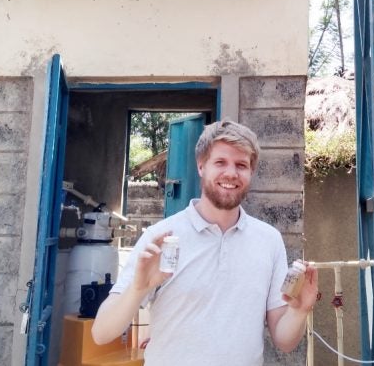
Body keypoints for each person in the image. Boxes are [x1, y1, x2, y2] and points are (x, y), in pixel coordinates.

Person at [92, 119, 318, 366]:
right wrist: (137, 289)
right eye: (220, 162)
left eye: (241, 165)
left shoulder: (269, 240)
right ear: (201, 166)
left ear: (251, 172)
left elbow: (284, 341)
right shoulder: (162, 236)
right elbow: (101, 333)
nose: (231, 173)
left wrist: (299, 311)